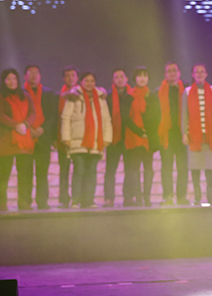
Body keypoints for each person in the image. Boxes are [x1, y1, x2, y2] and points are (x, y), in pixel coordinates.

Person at [61, 71, 113, 208]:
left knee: (91, 172)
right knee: (79, 170)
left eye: (92, 81)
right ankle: (76, 200)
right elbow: (65, 118)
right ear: (81, 82)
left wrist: (107, 138)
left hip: (95, 142)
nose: (89, 83)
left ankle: (88, 200)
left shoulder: (100, 99)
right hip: (77, 141)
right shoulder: (74, 97)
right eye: (86, 81)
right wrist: (66, 137)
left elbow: (107, 119)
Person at [0, 69, 37, 211]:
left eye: (14, 79)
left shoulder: (25, 96)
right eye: (9, 79)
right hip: (7, 139)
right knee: (4, 173)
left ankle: (24, 201)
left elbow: (32, 113)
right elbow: (0, 115)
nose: (12, 82)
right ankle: (2, 202)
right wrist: (16, 125)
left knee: (25, 173)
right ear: (4, 81)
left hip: (24, 138)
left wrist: (25, 124)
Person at [181, 64, 212, 205]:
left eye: (202, 72)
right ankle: (197, 196)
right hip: (194, 136)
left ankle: (210, 195)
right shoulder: (187, 92)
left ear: (206, 74)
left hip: (210, 136)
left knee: (210, 167)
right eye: (196, 72)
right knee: (195, 166)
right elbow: (184, 114)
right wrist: (184, 133)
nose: (199, 74)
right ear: (193, 75)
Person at [123, 67, 161, 206]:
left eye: (145, 75)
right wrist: (139, 132)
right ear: (135, 78)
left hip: (148, 137)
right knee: (134, 169)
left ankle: (147, 197)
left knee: (148, 168)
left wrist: (147, 132)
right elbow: (125, 118)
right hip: (133, 136)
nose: (142, 78)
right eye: (139, 75)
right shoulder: (129, 96)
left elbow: (157, 116)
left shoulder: (152, 96)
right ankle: (138, 197)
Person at [24, 65, 58, 210]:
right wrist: (29, 129)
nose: (33, 75)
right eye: (30, 72)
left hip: (43, 137)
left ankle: (42, 202)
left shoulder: (48, 93)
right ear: (25, 76)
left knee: (42, 172)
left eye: (36, 72)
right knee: (26, 172)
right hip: (26, 137)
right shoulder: (21, 93)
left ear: (40, 76)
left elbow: (52, 116)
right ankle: (25, 202)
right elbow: (18, 114)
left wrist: (42, 129)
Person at [156, 62, 188, 205]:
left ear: (179, 73)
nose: (172, 73)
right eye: (169, 71)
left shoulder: (186, 89)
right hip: (166, 134)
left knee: (183, 166)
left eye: (175, 70)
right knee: (166, 167)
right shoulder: (159, 91)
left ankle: (181, 197)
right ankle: (168, 196)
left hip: (182, 134)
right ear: (165, 74)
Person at [104, 69, 131, 207]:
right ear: (113, 81)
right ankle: (109, 198)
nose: (119, 79)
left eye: (122, 76)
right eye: (116, 77)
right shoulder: (107, 96)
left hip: (129, 137)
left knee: (130, 169)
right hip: (113, 138)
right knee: (110, 170)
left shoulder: (132, 95)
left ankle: (128, 197)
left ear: (126, 79)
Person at [56, 66, 79, 209]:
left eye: (73, 75)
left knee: (79, 170)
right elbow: (55, 118)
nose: (70, 78)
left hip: (78, 138)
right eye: (67, 76)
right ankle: (64, 199)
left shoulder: (82, 94)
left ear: (77, 78)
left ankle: (78, 198)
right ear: (63, 78)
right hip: (62, 139)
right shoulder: (58, 96)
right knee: (63, 170)